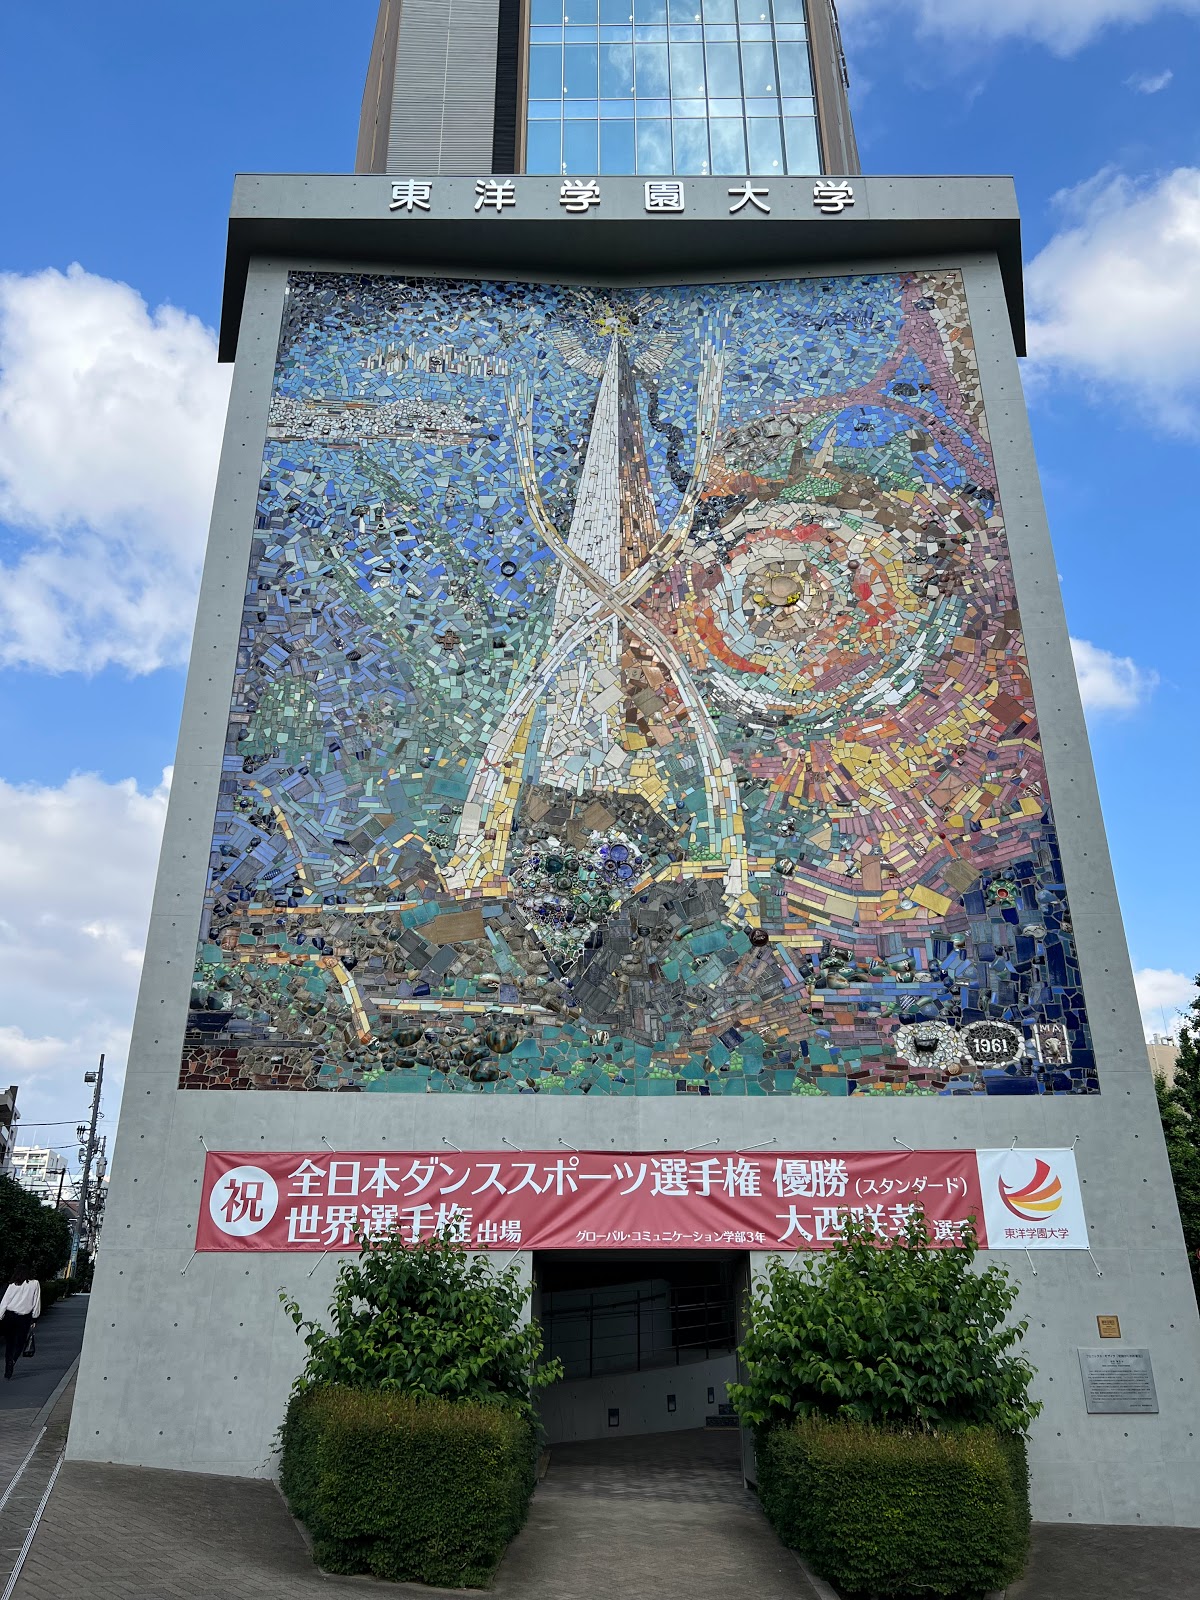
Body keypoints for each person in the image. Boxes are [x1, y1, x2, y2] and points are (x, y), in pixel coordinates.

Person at [1, 1265, 41, 1380]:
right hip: (25, 1317)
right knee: (20, 1342)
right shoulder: (35, 1284)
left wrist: (0, 1316)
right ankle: (13, 1360)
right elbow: (36, 1301)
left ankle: (8, 1366)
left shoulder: (13, 1284)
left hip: (9, 1315)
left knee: (10, 1343)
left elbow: (5, 1302)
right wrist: (35, 1317)